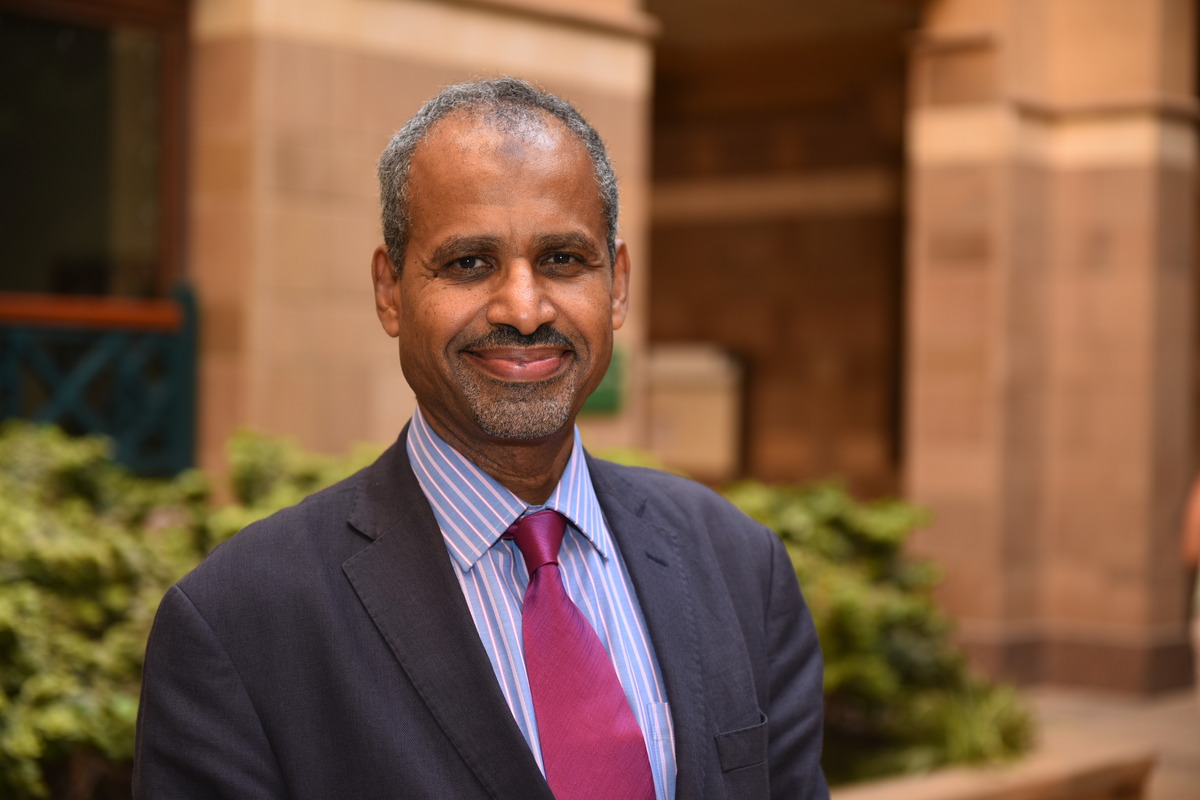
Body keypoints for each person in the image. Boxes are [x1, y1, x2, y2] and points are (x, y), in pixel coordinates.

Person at [133, 77, 828, 800]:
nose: (524, 309)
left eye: (562, 259)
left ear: (616, 285)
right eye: (469, 263)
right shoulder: (238, 625)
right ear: (389, 290)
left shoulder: (741, 567)